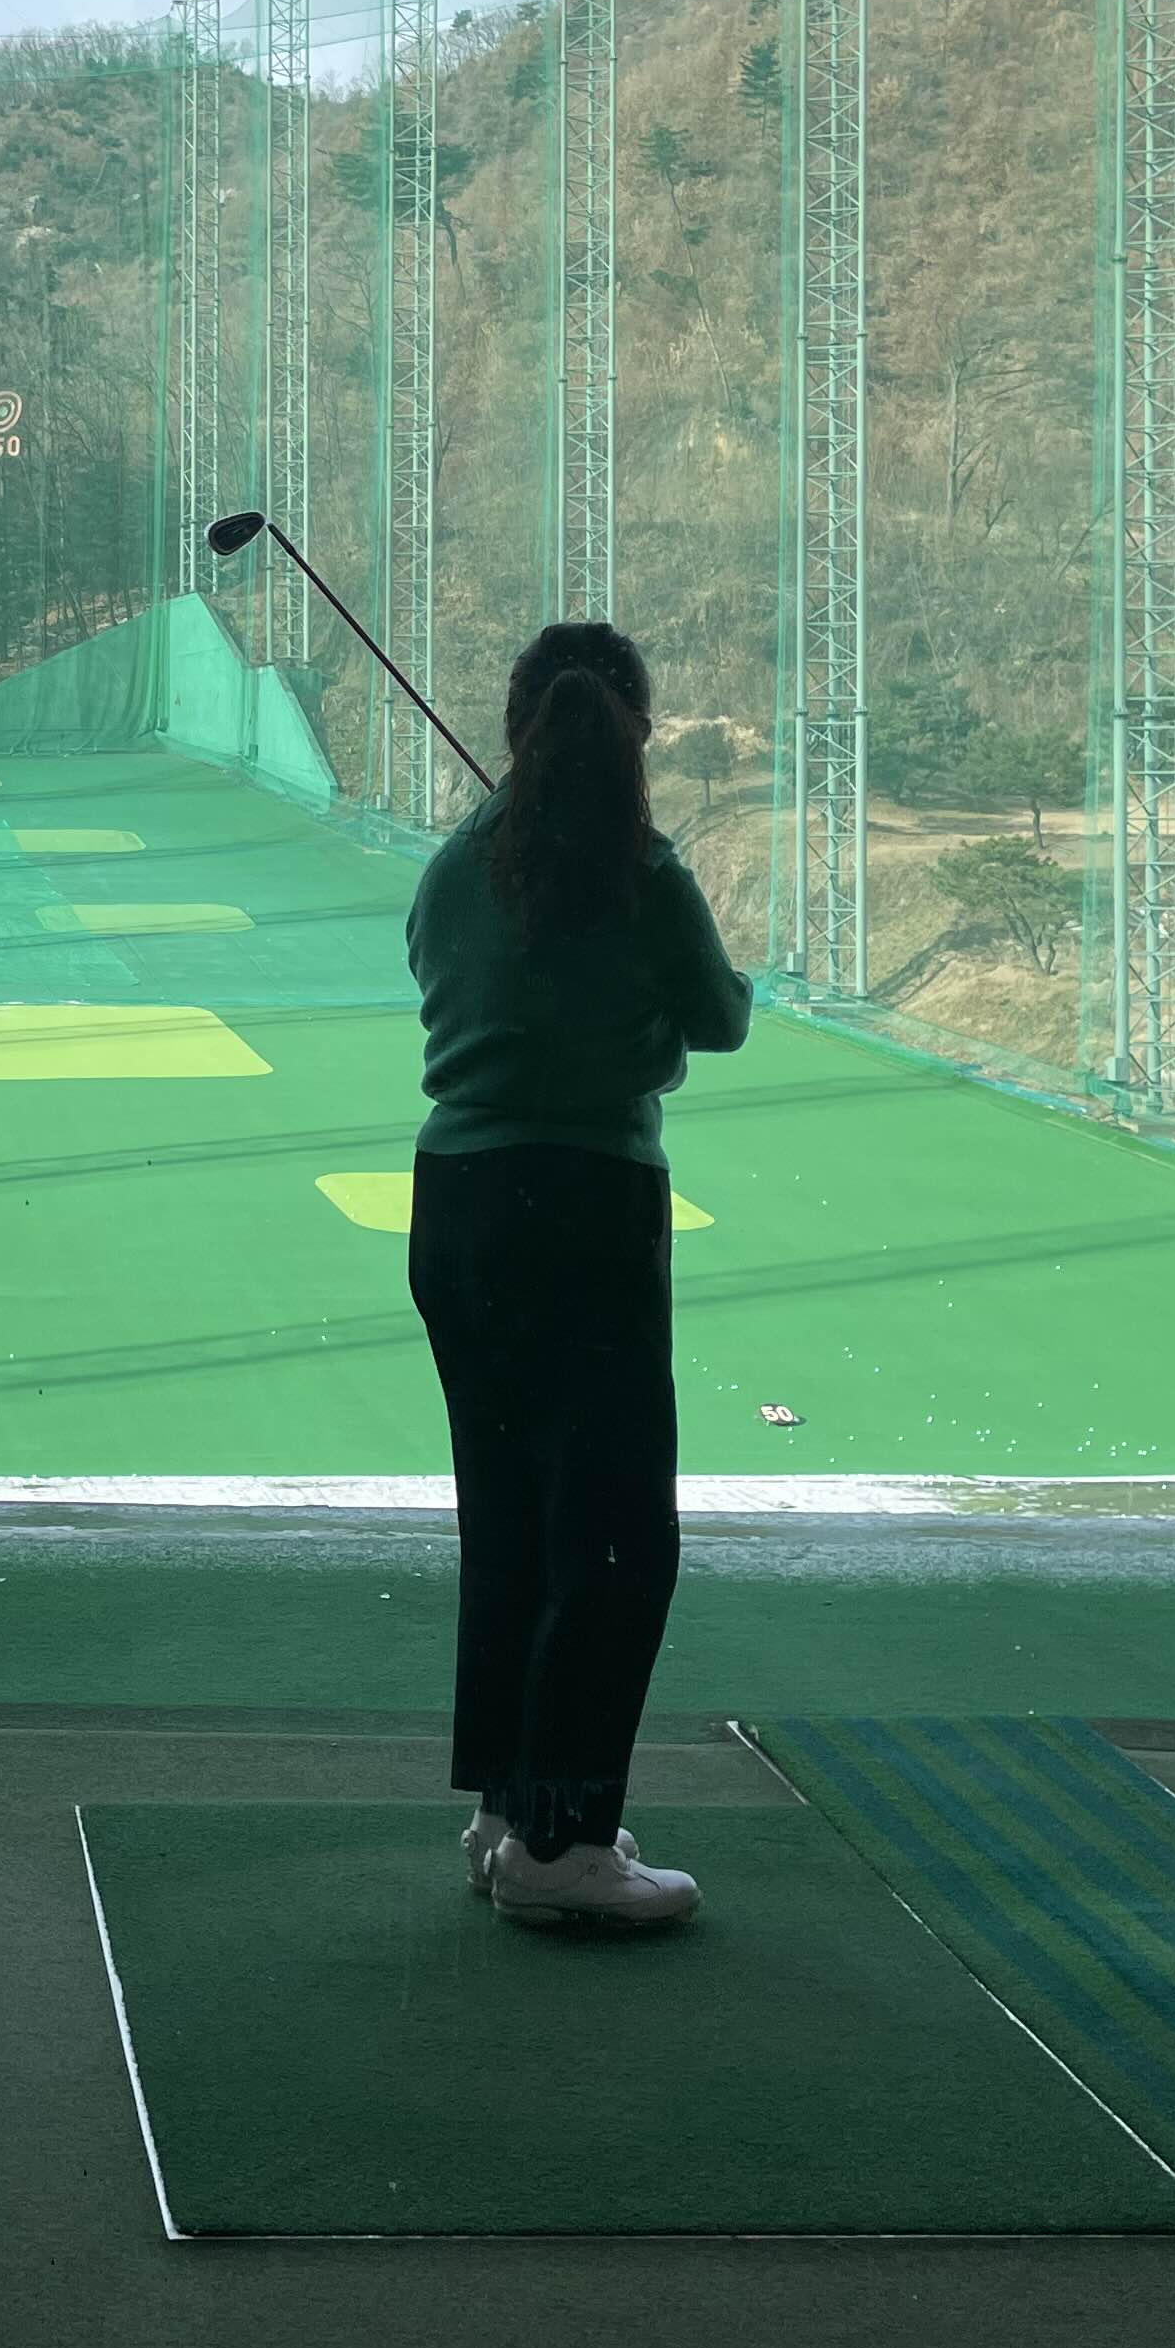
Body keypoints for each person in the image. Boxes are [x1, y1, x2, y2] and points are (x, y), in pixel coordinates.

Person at [403, 623, 749, 1931]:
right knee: (611, 1534)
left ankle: (509, 1814)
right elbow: (719, 1019)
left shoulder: (454, 865)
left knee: (509, 1516)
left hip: (459, 1207)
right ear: (637, 733)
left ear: (515, 729)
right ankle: (563, 1844)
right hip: (588, 1211)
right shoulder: (644, 873)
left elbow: (434, 974)